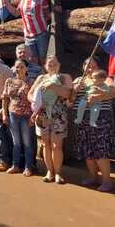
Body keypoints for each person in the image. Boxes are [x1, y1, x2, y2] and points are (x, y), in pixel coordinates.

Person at [71, 57, 115, 192]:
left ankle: (106, 181)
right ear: (83, 67)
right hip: (83, 118)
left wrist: (99, 96)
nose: (90, 68)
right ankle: (93, 177)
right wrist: (74, 90)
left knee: (100, 149)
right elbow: (70, 99)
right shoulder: (79, 80)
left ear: (97, 67)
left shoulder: (105, 79)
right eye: (87, 66)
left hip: (101, 118)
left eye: (93, 66)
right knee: (88, 149)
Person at [27, 55, 72, 184]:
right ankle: (49, 171)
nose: (52, 66)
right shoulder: (41, 78)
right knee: (45, 144)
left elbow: (68, 94)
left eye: (54, 63)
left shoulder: (65, 77)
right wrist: (37, 102)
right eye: (49, 64)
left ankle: (58, 173)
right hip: (42, 114)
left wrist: (53, 87)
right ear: (45, 66)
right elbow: (30, 94)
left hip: (59, 115)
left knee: (56, 145)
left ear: (59, 65)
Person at [5, 0, 53, 65]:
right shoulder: (23, 1)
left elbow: (48, 15)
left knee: (43, 57)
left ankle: (44, 75)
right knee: (32, 59)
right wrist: (7, 4)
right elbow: (16, 13)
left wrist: (56, 11)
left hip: (41, 33)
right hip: (28, 36)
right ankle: (35, 76)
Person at [1, 59, 34, 176]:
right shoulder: (9, 81)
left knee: (27, 143)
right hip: (13, 115)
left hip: (26, 116)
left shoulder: (31, 82)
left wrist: (33, 117)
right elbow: (5, 98)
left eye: (21, 67)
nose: (19, 69)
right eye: (17, 67)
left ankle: (28, 167)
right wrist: (4, 114)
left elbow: (36, 101)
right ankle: (15, 165)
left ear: (26, 68)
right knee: (16, 142)